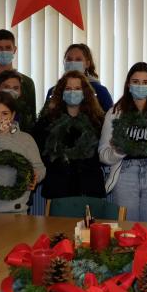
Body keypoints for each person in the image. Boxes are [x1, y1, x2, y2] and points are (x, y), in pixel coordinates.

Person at [98, 63, 147, 222]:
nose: (140, 86)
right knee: (126, 231)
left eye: (145, 82)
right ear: (128, 84)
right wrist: (117, 151)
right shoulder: (115, 113)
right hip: (124, 175)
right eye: (135, 82)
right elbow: (103, 154)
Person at [33, 71, 106, 199]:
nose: (73, 92)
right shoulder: (47, 121)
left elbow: (101, 153)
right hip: (58, 188)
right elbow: (39, 153)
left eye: (77, 88)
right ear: (61, 92)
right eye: (68, 88)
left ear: (85, 93)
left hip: (89, 188)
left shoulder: (97, 121)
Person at [46, 44, 113, 111]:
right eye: (69, 59)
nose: (72, 62)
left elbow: (110, 118)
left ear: (87, 64)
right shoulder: (53, 92)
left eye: (78, 59)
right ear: (64, 63)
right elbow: (45, 118)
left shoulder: (100, 91)